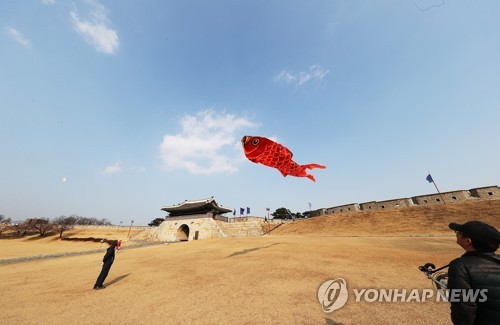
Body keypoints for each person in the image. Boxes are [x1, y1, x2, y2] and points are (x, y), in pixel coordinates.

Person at [447, 221, 500, 324]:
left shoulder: (459, 266)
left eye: (459, 232)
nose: (457, 234)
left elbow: (464, 309)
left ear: (467, 241)